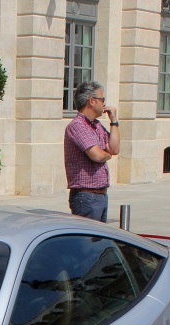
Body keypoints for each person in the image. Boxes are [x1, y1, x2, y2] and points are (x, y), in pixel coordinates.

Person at [63, 80, 120, 222]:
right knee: (87, 242)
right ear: (92, 101)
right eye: (102, 99)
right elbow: (97, 155)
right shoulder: (78, 125)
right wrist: (107, 155)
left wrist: (114, 122)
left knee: (98, 241)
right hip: (86, 197)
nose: (104, 104)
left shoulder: (97, 126)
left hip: (100, 195)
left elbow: (115, 148)